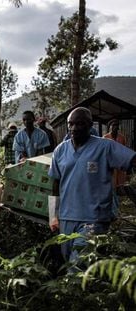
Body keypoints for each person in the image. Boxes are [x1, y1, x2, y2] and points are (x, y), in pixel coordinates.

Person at [48, 107, 136, 265]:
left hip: (94, 218)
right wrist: (52, 215)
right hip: (67, 217)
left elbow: (132, 160)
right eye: (71, 124)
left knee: (79, 264)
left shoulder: (105, 147)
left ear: (90, 125)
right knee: (68, 260)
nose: (74, 128)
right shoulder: (60, 150)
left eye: (80, 124)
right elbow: (55, 183)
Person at [103, 118, 127, 187]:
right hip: (110, 163)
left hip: (120, 163)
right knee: (111, 182)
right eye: (113, 125)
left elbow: (124, 150)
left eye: (116, 125)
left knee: (120, 183)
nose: (115, 127)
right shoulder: (105, 138)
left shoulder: (122, 137)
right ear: (109, 127)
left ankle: (119, 195)